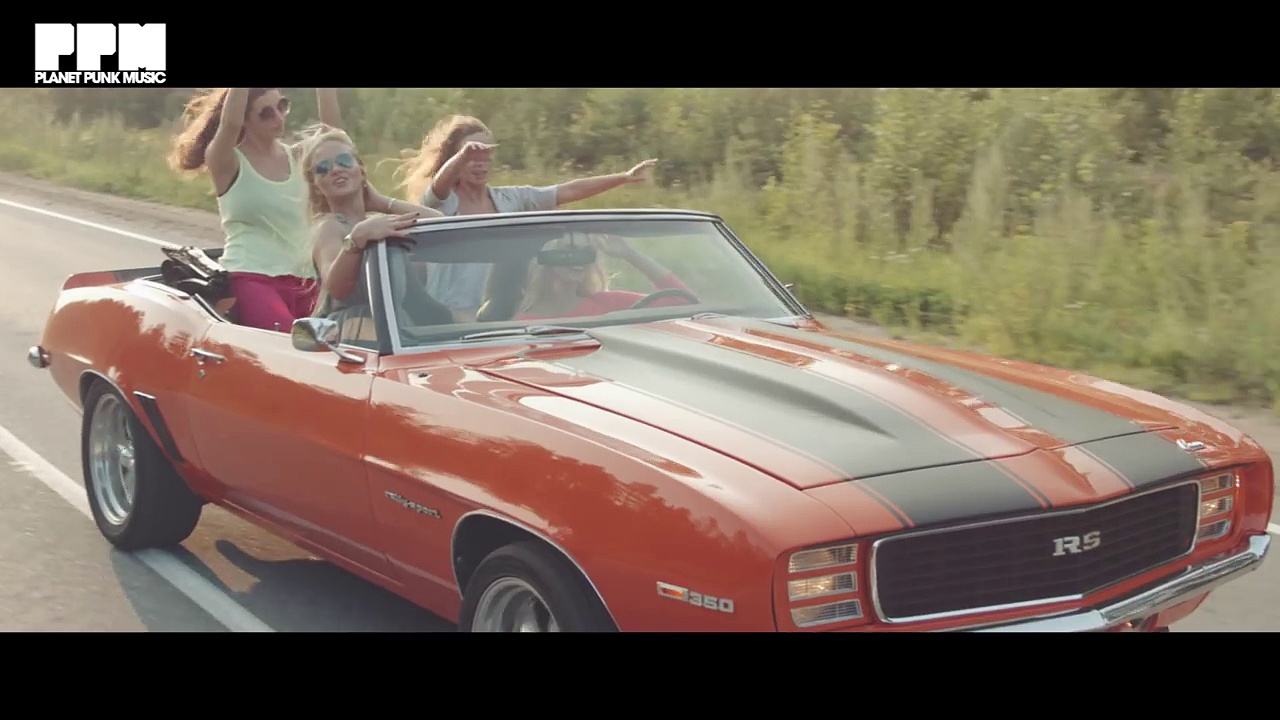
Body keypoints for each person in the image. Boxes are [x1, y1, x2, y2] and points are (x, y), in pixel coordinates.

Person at [395, 114, 659, 321]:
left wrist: (623, 178)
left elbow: (566, 191)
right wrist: (462, 157)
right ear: (453, 158)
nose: (480, 162)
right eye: (472, 155)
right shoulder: (443, 203)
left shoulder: (511, 199)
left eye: (486, 154)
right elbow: (437, 189)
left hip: (502, 313)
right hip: (451, 314)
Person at [168, 88, 342, 331]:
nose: (278, 118)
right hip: (252, 277)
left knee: (330, 344)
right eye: (265, 113)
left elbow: (333, 138)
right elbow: (229, 124)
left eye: (282, 106)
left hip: (306, 281)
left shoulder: (299, 157)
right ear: (245, 120)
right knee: (287, 342)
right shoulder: (226, 160)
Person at [298, 125, 451, 343]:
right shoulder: (330, 227)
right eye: (323, 168)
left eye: (344, 161)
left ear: (361, 170)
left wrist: (381, 202)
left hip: (399, 329)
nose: (335, 169)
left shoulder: (379, 224)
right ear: (316, 186)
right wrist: (356, 240)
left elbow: (441, 225)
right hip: (356, 334)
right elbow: (336, 287)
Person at [514, 233, 693, 321]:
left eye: (587, 252)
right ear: (547, 258)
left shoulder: (607, 303)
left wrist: (630, 254)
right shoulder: (523, 322)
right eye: (569, 251)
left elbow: (684, 303)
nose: (579, 260)